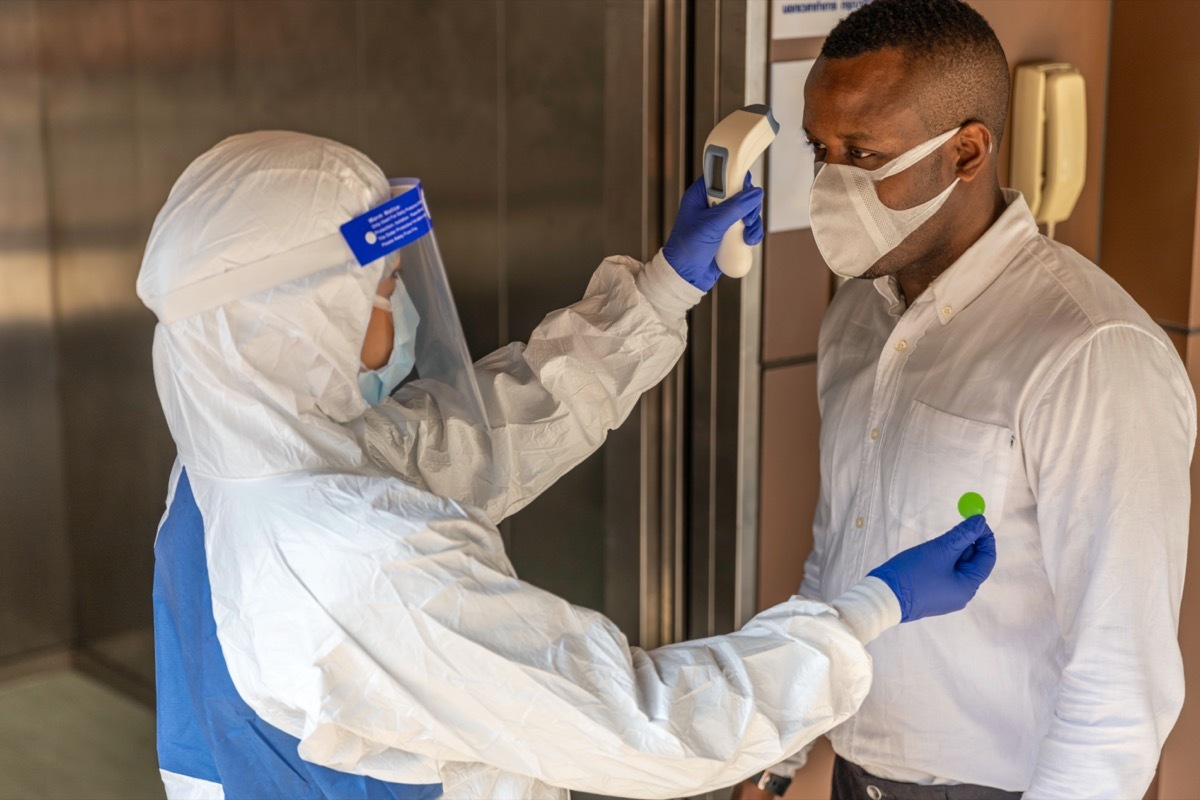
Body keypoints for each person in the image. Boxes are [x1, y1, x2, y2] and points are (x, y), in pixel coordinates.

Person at [137, 130, 996, 800]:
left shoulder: (230, 474)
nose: (395, 322)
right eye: (384, 293)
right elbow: (641, 723)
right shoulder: (352, 561)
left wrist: (662, 290)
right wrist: (866, 615)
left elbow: (478, 438)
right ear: (291, 322)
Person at [732, 1, 1196, 799]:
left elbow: (1120, 683)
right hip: (857, 775)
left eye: (863, 155)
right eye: (821, 152)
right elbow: (835, 553)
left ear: (968, 152)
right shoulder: (856, 319)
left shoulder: (1089, 354)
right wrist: (771, 758)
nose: (832, 185)